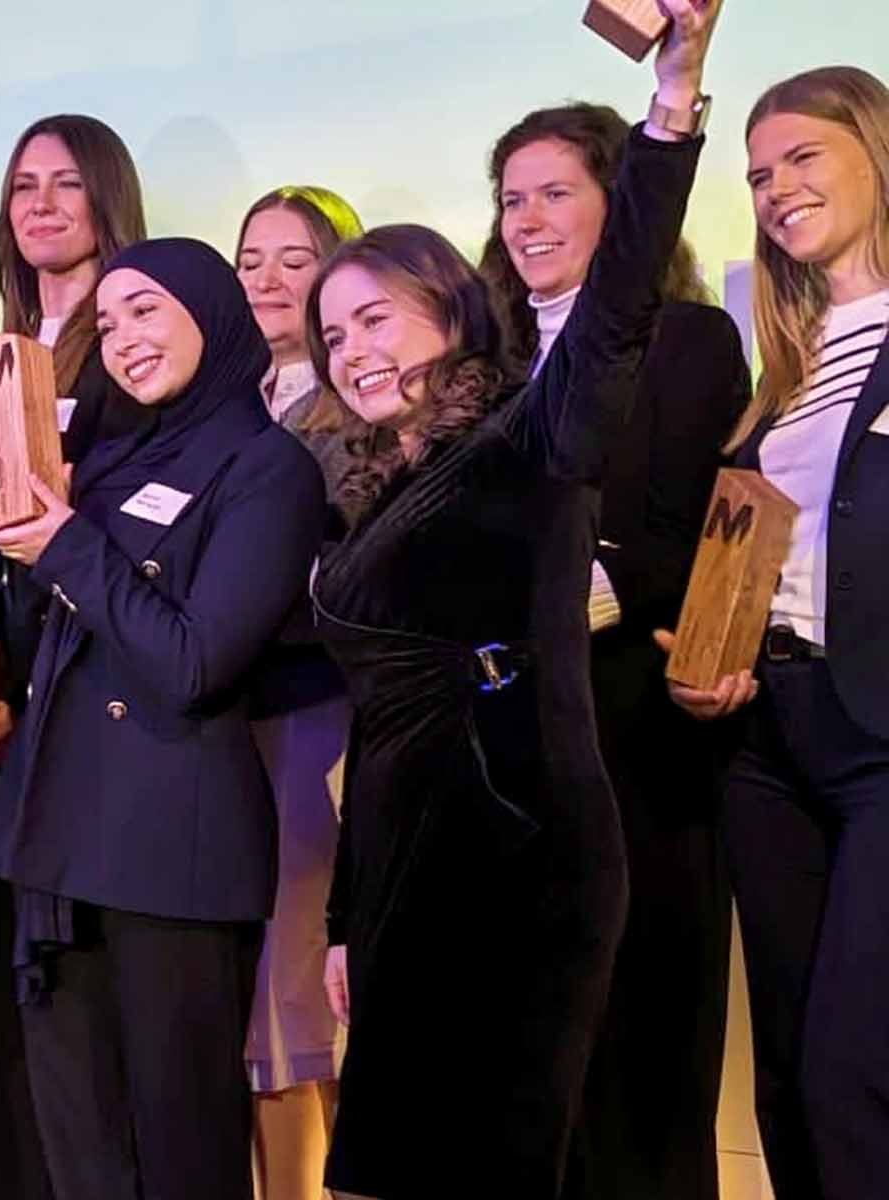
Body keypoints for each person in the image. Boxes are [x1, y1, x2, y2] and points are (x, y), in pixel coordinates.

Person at [306, 3, 721, 1194]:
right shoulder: (381, 483)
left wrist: (674, 95)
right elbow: (384, 725)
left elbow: (624, 298)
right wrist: (347, 916)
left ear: (449, 310)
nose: (354, 352)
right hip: (407, 869)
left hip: (518, 864)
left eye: (377, 318)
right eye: (335, 336)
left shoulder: (527, 437)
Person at [0, 236, 326, 1198]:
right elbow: (42, 639)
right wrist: (25, 542)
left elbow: (195, 662)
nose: (124, 336)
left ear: (212, 316)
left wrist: (67, 544)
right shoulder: (108, 459)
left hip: (175, 852)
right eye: (110, 318)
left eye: (148, 310)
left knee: (180, 1149)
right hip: (60, 836)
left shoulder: (268, 469)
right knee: (78, 1151)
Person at [479, 100, 749, 1200]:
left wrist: (556, 604)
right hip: (505, 762)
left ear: (625, 207)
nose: (528, 219)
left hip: (637, 739)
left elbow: (687, 532)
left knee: (644, 1065)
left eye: (557, 192)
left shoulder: (685, 340)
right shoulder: (481, 362)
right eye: (511, 198)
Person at [658, 64, 889, 1200]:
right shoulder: (782, 368)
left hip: (882, 745)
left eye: (802, 157)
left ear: (876, 151)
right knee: (790, 1073)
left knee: (857, 1068)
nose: (777, 188)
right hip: (766, 743)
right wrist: (711, 661)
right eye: (758, 174)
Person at [0, 112, 149, 1200]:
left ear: (109, 197)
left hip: (81, 716)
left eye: (67, 183)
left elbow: (114, 553)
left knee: (67, 1011)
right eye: (24, 186)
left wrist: (28, 697)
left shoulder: (134, 357)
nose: (41, 204)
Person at [232, 183, 364, 1200]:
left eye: (295, 257)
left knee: (303, 992)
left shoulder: (356, 407)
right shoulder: (224, 403)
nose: (270, 280)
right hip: (228, 731)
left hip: (317, 724)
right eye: (252, 261)